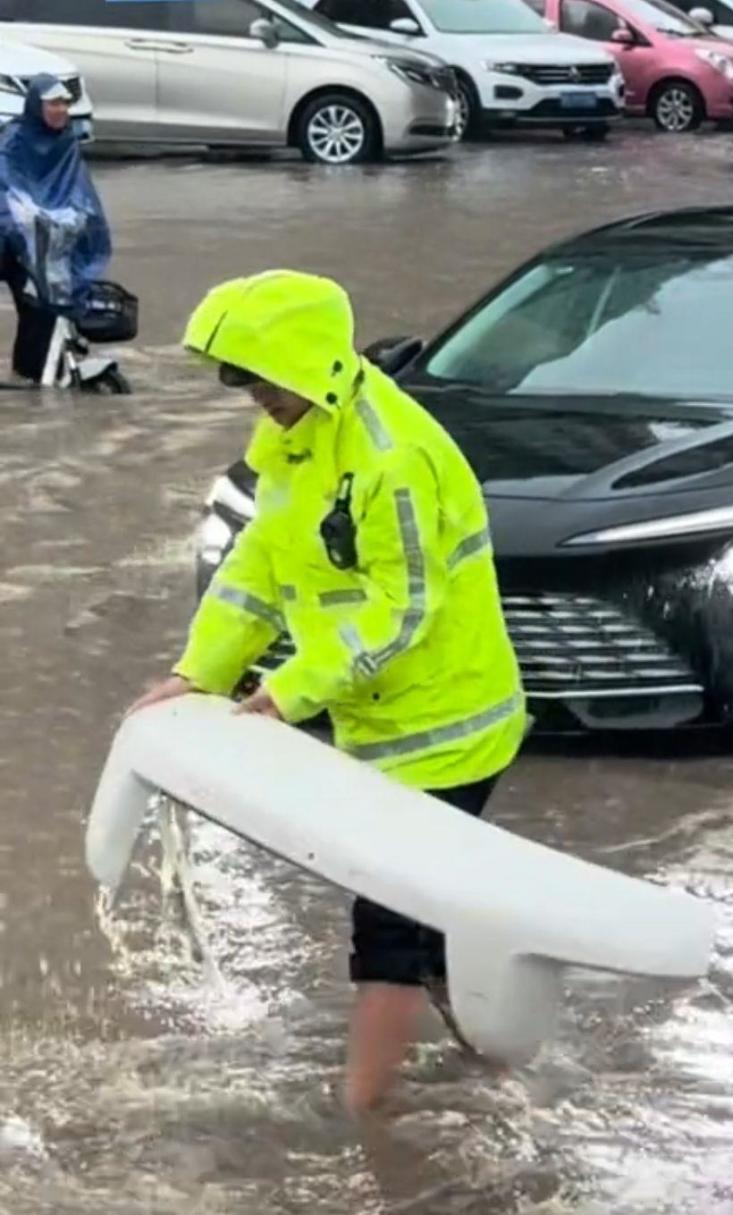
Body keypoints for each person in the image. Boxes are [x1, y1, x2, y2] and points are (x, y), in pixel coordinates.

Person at [127, 271, 527, 1115]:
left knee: (386, 931)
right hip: (377, 731)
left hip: (452, 730)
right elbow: (256, 569)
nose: (256, 399)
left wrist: (289, 691)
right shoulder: (293, 444)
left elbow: (402, 607)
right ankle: (498, 1071)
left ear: (307, 366)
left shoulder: (395, 457)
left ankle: (369, 1132)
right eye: (242, 382)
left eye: (265, 380)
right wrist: (198, 670)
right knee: (428, 917)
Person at [0, 75, 111, 382]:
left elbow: (78, 187)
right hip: (9, 235)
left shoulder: (65, 143)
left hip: (40, 239)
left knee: (41, 307)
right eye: (53, 103)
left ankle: (31, 373)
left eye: (64, 103)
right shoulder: (14, 139)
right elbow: (7, 184)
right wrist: (23, 213)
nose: (61, 110)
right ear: (37, 106)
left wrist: (82, 217)